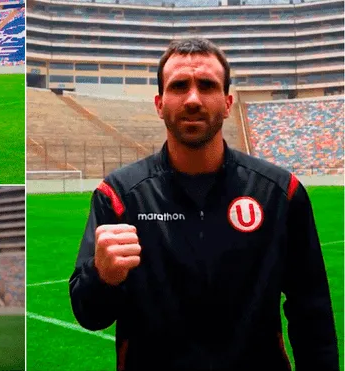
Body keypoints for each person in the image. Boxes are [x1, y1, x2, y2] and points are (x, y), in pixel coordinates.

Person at [69, 38, 338, 370]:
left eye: (207, 86)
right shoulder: (120, 197)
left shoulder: (280, 193)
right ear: (159, 103)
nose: (193, 98)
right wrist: (102, 277)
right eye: (179, 86)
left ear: (227, 103)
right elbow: (89, 314)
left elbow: (312, 314)